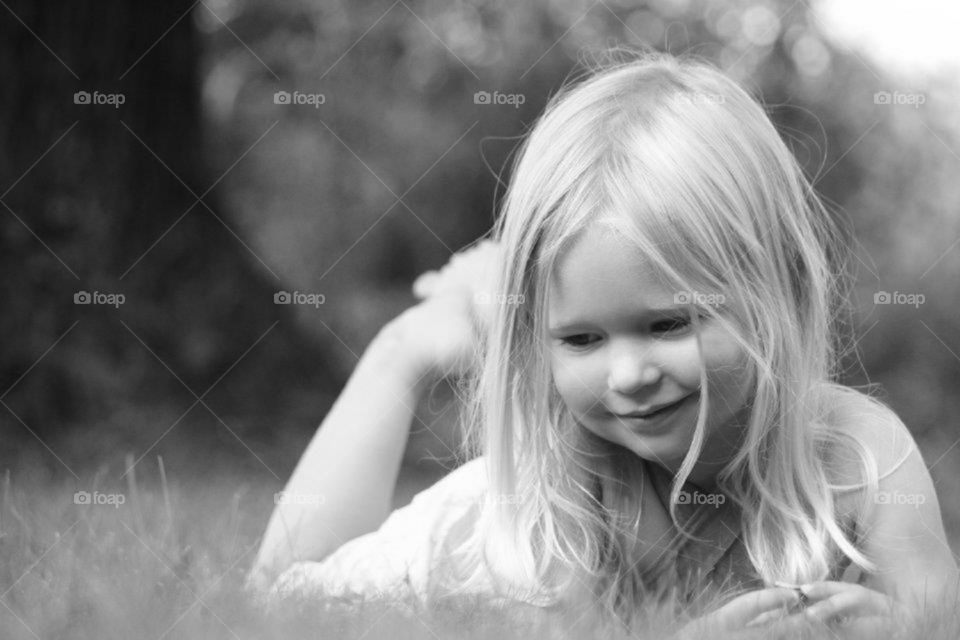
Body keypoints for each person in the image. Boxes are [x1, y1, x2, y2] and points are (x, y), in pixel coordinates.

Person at [246, 50, 959, 635]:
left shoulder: (860, 456)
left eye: (669, 324)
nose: (628, 376)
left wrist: (899, 627)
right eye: (581, 338)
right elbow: (272, 618)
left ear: (786, 291)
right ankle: (407, 347)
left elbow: (937, 616)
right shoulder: (535, 506)